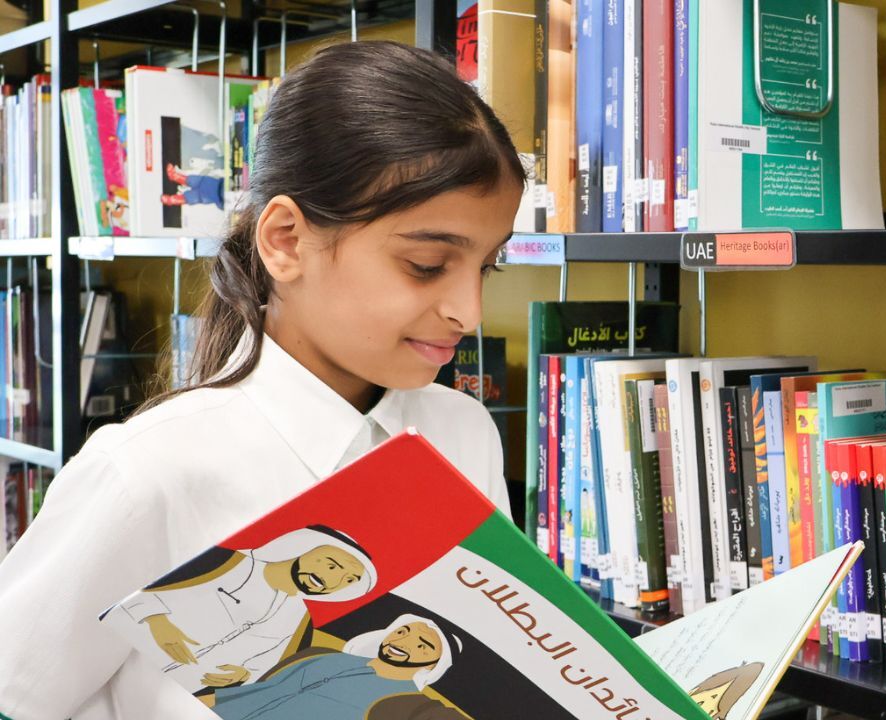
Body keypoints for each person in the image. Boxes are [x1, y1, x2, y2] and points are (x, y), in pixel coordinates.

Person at [0, 40, 522, 720]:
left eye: (487, 268)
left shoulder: (461, 432)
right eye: (426, 264)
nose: (467, 311)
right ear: (285, 240)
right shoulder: (148, 473)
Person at [106, 525, 377, 691]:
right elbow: (140, 593)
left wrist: (243, 674)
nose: (334, 579)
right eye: (330, 564)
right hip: (123, 677)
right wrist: (157, 622)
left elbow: (267, 666)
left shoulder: (300, 619)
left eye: (349, 580)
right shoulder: (224, 561)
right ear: (303, 547)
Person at [201, 615, 468, 720]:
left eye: (422, 645)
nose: (404, 642)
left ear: (433, 664)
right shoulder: (320, 654)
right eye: (402, 631)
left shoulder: (411, 705)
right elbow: (260, 691)